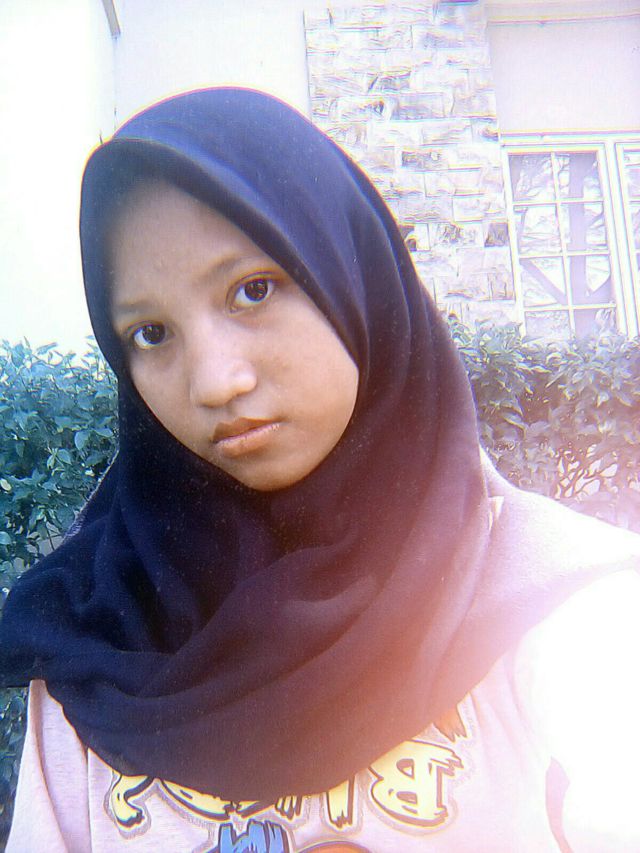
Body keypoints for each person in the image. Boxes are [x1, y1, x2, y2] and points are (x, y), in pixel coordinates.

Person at [1, 87, 640, 852]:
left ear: (353, 278)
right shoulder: (94, 633)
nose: (214, 381)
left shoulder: (561, 604)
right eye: (151, 333)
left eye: (253, 290)